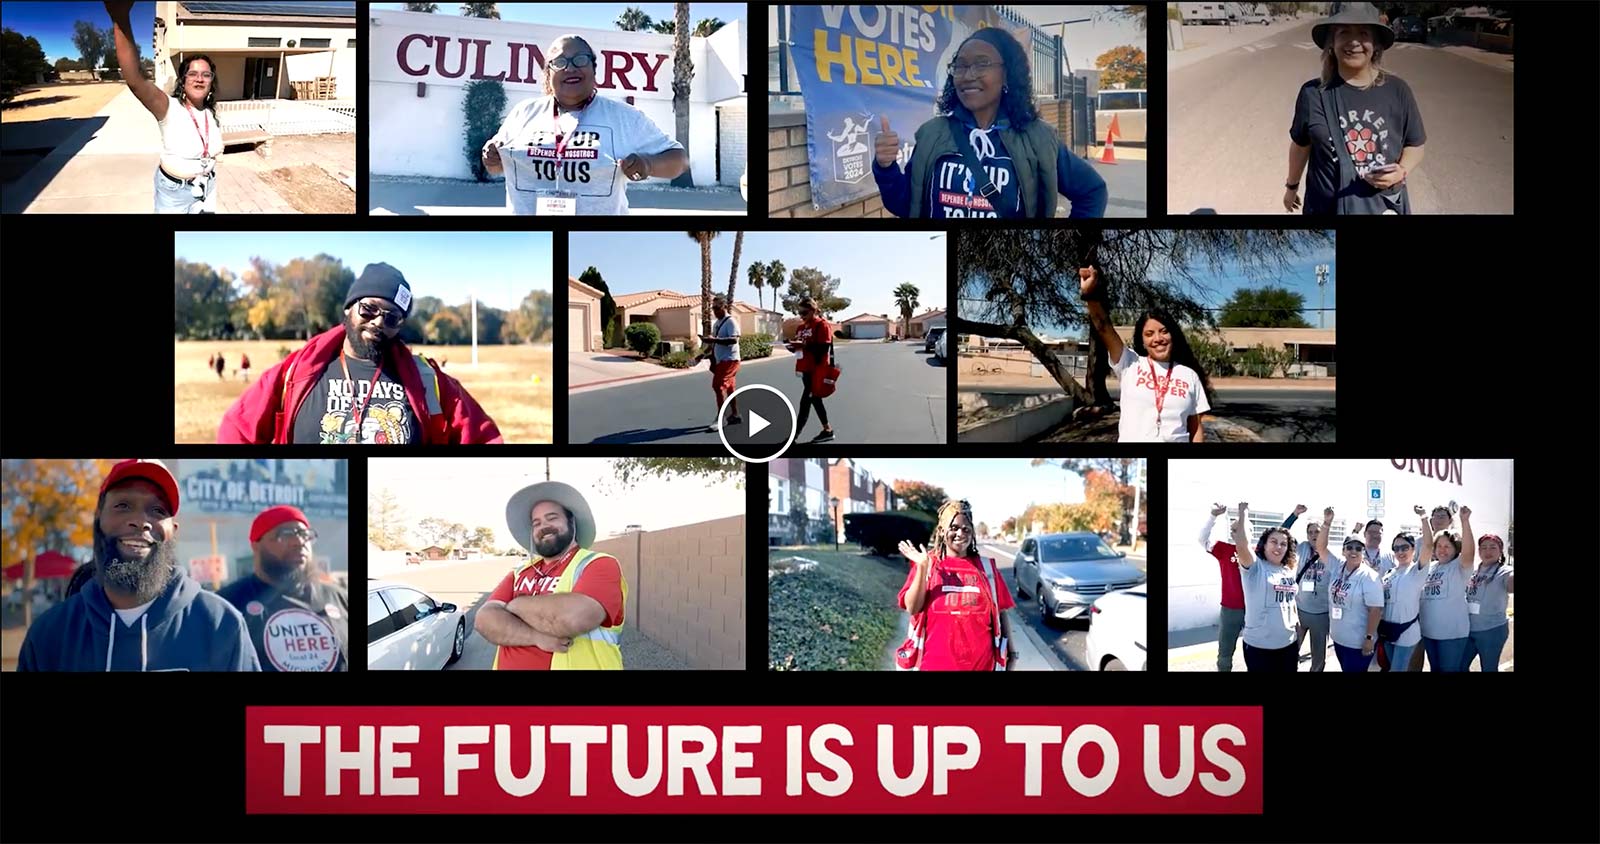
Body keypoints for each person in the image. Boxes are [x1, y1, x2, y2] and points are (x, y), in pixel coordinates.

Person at [218, 263, 503, 444]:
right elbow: (237, 429)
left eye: (392, 318)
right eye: (368, 309)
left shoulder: (429, 380)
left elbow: (483, 438)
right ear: (349, 308)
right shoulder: (295, 372)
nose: (378, 321)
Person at [18, 460, 259, 671]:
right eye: (123, 505)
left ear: (173, 532)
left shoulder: (222, 625)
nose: (140, 521)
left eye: (157, 510)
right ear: (98, 519)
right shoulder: (49, 635)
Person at [872, 27, 1106, 219]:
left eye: (982, 64)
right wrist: (886, 168)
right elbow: (905, 206)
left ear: (1007, 74)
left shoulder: (1038, 138)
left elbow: (1092, 191)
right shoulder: (933, 134)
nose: (968, 74)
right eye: (961, 66)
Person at [480, 34, 689, 216]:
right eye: (559, 62)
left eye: (580, 60)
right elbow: (497, 166)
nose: (570, 68)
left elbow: (679, 160)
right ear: (548, 73)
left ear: (593, 68)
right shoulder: (523, 112)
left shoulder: (623, 117)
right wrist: (491, 157)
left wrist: (647, 164)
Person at [1284, 2, 1426, 215]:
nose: (1354, 42)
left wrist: (1401, 171)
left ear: (1376, 43)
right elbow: (1301, 145)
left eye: (1363, 32)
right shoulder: (1313, 93)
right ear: (1331, 41)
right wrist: (1291, 187)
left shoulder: (1398, 90)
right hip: (1325, 208)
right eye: (1343, 32)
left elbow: (1415, 145)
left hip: (1381, 207)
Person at [475, 481, 627, 670]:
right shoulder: (520, 572)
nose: (543, 526)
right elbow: (484, 620)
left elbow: (573, 618)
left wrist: (515, 605)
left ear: (571, 522)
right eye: (536, 523)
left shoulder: (598, 563)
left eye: (552, 518)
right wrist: (536, 637)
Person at [105, 1, 222, 213]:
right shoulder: (168, 107)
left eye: (206, 75)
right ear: (183, 80)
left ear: (212, 82)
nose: (199, 79)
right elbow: (135, 79)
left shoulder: (210, 112)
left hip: (207, 186)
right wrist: (119, 18)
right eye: (192, 74)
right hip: (174, 193)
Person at [1080, 266, 1213, 442]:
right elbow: (1103, 327)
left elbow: (1195, 428)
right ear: (1142, 341)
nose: (1158, 338)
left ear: (1173, 334)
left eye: (1164, 331)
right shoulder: (1130, 363)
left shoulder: (1189, 375)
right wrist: (1091, 296)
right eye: (1149, 334)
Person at [217, 506, 349, 672]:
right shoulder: (226, 604)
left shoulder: (339, 598)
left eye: (304, 535)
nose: (299, 542)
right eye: (285, 534)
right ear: (256, 545)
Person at [896, 499, 1017, 671]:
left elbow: (1000, 612)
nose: (960, 533)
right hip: (934, 665)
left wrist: (1011, 655)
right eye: (954, 528)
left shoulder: (987, 568)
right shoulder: (928, 564)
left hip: (982, 665)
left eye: (966, 529)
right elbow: (912, 607)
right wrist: (922, 567)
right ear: (941, 531)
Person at [1201, 503, 1301, 672]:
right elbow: (1204, 539)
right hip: (1231, 608)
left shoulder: (1262, 555)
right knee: (1225, 652)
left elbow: (1280, 535)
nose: (1237, 532)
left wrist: (1294, 515)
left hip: (1256, 613)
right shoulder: (1228, 551)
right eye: (1235, 529)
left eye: (1241, 529)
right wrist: (1214, 516)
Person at [1232, 502, 1300, 672]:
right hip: (1259, 646)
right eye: (1273, 542)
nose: (1278, 547)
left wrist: (1296, 627)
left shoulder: (1288, 569)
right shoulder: (1255, 566)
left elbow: (1290, 602)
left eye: (1283, 544)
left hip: (1288, 643)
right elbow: (1241, 544)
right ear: (1264, 544)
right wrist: (1243, 514)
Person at [1314, 510, 1384, 672]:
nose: (1354, 551)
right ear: (1344, 551)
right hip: (1339, 639)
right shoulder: (1338, 566)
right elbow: (1321, 547)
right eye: (1350, 547)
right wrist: (1327, 522)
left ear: (1363, 552)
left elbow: (1376, 610)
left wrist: (1369, 638)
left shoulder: (1369, 576)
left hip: (1357, 643)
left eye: (1358, 548)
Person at [1418, 503, 1475, 672]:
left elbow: (1469, 552)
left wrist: (1465, 521)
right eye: (1439, 546)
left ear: (1455, 549)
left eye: (1447, 546)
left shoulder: (1459, 566)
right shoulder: (1431, 567)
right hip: (1429, 633)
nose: (1442, 550)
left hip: (1452, 635)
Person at [1284, 505, 1332, 671]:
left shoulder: (1331, 554)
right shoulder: (1302, 548)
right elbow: (1281, 533)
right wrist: (1294, 514)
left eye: (1317, 532)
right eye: (1310, 532)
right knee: (1289, 652)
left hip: (1321, 614)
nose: (1313, 535)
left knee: (1318, 658)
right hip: (1300, 611)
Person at [1377, 519, 1427, 671]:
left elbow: (1429, 545)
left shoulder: (1417, 571)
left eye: (1405, 547)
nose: (1400, 552)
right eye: (1396, 548)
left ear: (1413, 549)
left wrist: (1424, 517)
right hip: (1387, 632)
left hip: (1407, 632)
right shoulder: (1389, 574)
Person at [786, 298, 836, 443]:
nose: (801, 315)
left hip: (817, 370)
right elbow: (800, 348)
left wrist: (804, 345)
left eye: (804, 312)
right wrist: (792, 347)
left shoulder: (822, 325)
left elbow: (823, 349)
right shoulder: (801, 328)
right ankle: (828, 430)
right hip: (805, 369)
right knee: (815, 399)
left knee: (805, 402)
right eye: (799, 312)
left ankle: (792, 438)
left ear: (813, 310)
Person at [1462, 531, 1513, 672]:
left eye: (1492, 547)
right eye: (1483, 547)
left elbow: (1510, 583)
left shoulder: (1505, 571)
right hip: (1470, 629)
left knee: (1489, 668)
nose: (1487, 551)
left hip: (1493, 630)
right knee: (1460, 665)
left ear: (1500, 551)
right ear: (1479, 551)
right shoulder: (1474, 572)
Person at [696, 294, 742, 431]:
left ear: (725, 307)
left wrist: (714, 340)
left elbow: (733, 340)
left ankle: (721, 418)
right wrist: (703, 354)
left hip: (730, 360)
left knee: (718, 386)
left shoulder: (731, 322)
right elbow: (714, 344)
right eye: (713, 308)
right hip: (720, 361)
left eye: (717, 307)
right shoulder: (716, 324)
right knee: (730, 388)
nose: (715, 311)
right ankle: (735, 415)